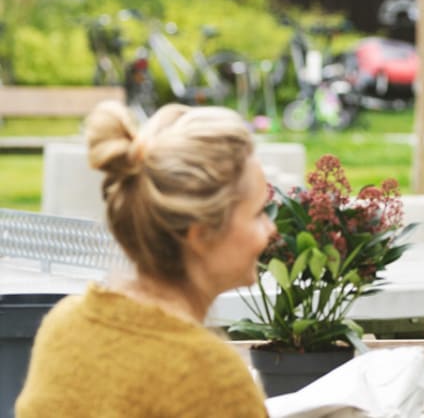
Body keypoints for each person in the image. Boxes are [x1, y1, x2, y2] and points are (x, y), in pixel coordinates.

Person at [16, 102, 275, 417]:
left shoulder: (64, 326)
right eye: (259, 213)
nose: (271, 230)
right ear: (201, 233)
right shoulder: (212, 380)